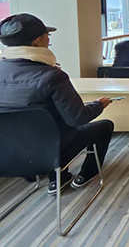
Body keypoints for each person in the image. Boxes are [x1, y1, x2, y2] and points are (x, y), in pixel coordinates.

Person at [0, 14, 114, 194]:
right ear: (38, 41)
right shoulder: (52, 75)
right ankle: (87, 173)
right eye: (47, 36)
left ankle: (60, 178)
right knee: (105, 126)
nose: (48, 40)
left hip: (7, 155)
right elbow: (78, 118)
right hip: (50, 153)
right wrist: (98, 105)